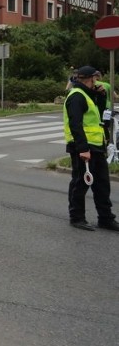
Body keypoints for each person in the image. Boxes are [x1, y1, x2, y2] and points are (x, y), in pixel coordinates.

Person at [63, 66, 119, 231]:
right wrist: (83, 149)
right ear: (90, 78)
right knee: (80, 183)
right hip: (82, 147)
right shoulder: (76, 97)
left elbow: (100, 116)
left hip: (96, 146)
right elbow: (76, 124)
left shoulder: (88, 95)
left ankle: (106, 218)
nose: (97, 81)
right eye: (95, 78)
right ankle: (77, 217)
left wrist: (101, 96)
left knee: (102, 183)